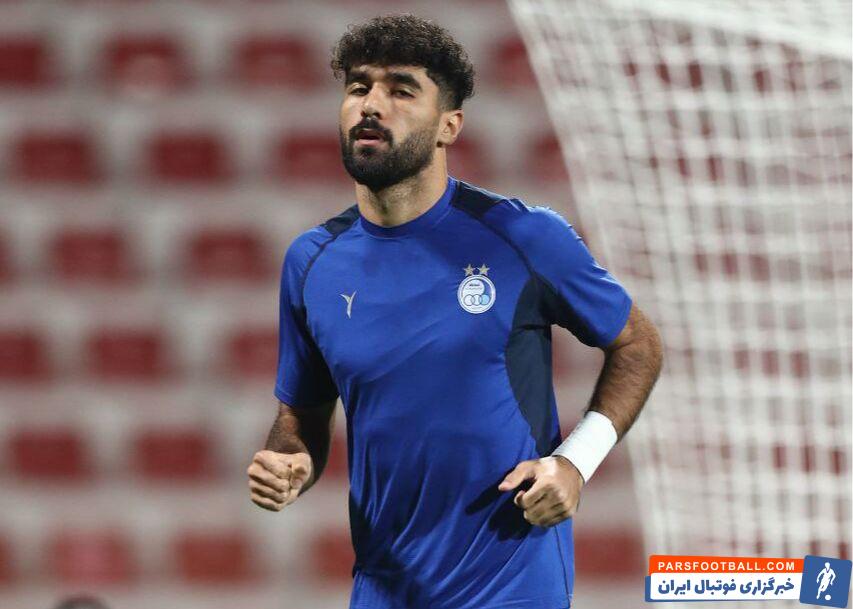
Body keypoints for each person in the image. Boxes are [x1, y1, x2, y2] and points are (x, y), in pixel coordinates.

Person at [246, 14, 663, 609]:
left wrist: (575, 463)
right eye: (359, 87)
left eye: (401, 90)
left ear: (449, 126)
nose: (371, 105)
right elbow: (302, 417)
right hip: (384, 587)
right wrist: (289, 461)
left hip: (512, 587)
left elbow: (638, 344)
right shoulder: (312, 263)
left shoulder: (523, 236)